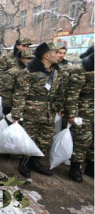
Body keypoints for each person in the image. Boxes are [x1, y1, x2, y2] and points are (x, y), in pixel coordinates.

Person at [11, 41, 67, 178]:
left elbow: (59, 91)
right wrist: (17, 114)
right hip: (31, 112)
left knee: (45, 139)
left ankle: (35, 162)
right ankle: (23, 163)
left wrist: (60, 106)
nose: (59, 55)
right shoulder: (29, 72)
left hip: (49, 112)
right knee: (29, 138)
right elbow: (20, 94)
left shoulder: (56, 72)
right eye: (56, 52)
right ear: (46, 56)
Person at [65, 52, 94, 183]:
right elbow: (72, 94)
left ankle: (90, 166)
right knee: (82, 140)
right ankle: (75, 168)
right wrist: (72, 113)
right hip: (84, 110)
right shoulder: (81, 70)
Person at [0, 49, 34, 117]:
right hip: (15, 106)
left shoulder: (34, 71)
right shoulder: (12, 72)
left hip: (30, 106)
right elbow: (6, 92)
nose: (30, 61)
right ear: (21, 59)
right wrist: (7, 108)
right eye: (28, 58)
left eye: (32, 58)